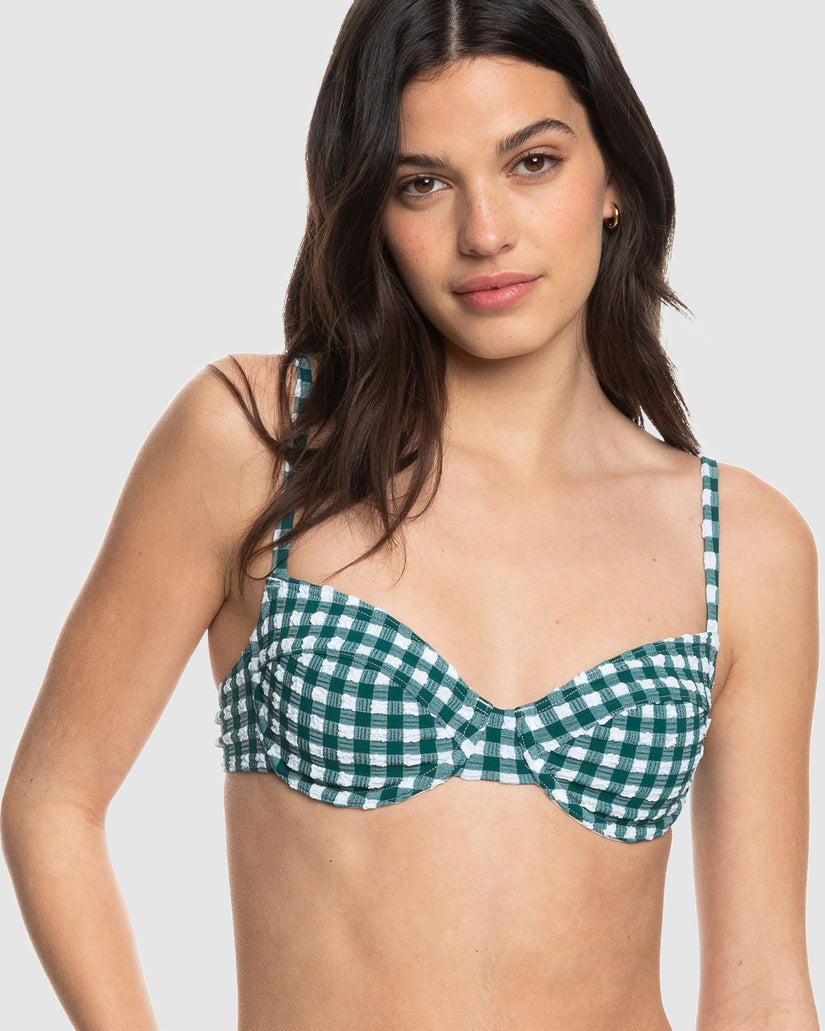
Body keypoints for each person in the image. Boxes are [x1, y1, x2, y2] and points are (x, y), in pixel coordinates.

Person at [2, 0, 819, 1028]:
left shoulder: (741, 543)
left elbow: (761, 985)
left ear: (614, 178)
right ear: (369, 207)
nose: (484, 232)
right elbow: (55, 801)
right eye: (422, 183)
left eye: (533, 162)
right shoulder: (258, 444)